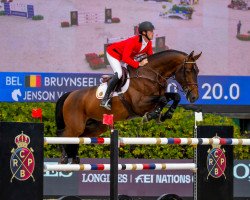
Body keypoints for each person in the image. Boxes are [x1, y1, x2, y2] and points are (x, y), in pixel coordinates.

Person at [100, 21, 155, 110]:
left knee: (131, 73)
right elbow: (125, 58)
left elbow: (151, 57)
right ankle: (105, 99)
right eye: (151, 31)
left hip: (124, 57)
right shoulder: (133, 41)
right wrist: (139, 64)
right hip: (113, 53)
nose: (153, 33)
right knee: (119, 74)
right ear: (144, 33)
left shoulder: (148, 43)